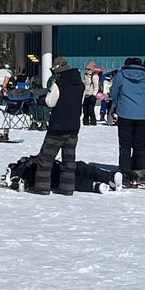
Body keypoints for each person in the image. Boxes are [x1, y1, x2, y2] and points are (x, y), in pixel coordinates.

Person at [31, 55, 83, 195]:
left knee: (46, 158)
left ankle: (42, 187)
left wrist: (42, 99)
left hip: (58, 126)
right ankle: (67, 188)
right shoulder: (80, 84)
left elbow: (50, 102)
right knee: (69, 161)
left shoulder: (58, 83)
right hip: (74, 127)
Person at [108, 57, 145, 183]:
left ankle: (125, 173)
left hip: (125, 113)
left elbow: (113, 93)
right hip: (141, 114)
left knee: (125, 145)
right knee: (140, 145)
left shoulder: (121, 75)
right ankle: (141, 171)